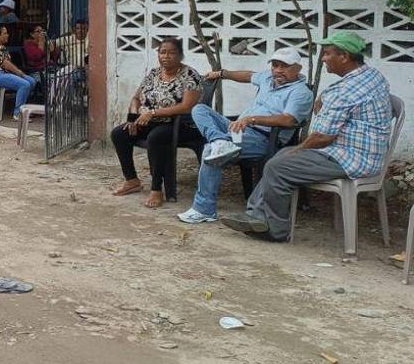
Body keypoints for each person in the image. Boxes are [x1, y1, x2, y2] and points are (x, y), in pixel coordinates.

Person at [221, 32, 393, 242]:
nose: (323, 58)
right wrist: (324, 96)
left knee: (279, 164)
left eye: (327, 53)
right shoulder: (371, 75)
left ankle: (274, 230)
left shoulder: (345, 91)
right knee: (281, 156)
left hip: (349, 157)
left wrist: (298, 149)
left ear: (344, 57)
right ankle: (256, 215)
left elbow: (322, 137)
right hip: (359, 152)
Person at [177, 49, 315, 224]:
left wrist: (252, 119)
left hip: (263, 138)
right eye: (275, 65)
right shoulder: (267, 78)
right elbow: (248, 75)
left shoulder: (301, 92)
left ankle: (204, 209)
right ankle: (220, 140)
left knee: (212, 152)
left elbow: (288, 120)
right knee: (200, 110)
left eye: (284, 66)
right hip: (238, 130)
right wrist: (221, 73)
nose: (278, 70)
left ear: (298, 68)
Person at [110, 38, 204, 208]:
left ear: (180, 55)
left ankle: (156, 189)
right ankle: (132, 180)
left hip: (179, 124)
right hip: (151, 121)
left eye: (171, 52)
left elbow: (186, 107)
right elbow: (136, 98)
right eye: (162, 52)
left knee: (156, 137)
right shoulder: (154, 73)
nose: (166, 56)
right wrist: (132, 119)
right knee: (119, 133)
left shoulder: (190, 75)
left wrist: (153, 113)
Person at [0, 26, 36, 119]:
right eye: (5, 33)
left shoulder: (2, 47)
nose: (8, 35)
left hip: (3, 74)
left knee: (31, 81)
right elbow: (5, 63)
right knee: (25, 84)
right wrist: (20, 73)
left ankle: (22, 107)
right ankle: (18, 113)